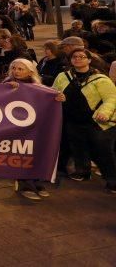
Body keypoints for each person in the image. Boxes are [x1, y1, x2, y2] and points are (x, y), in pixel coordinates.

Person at [51, 49, 116, 194]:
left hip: (96, 122)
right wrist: (57, 97)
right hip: (72, 120)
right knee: (78, 148)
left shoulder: (100, 79)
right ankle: (83, 171)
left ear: (89, 60)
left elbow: (111, 98)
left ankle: (112, 180)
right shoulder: (63, 76)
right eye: (74, 57)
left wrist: (104, 113)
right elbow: (53, 91)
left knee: (103, 152)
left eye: (82, 57)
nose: (78, 59)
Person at [4, 59, 64, 200]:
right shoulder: (7, 84)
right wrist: (7, 89)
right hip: (15, 127)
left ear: (30, 71)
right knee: (20, 155)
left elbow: (49, 98)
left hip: (35, 126)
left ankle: (36, 181)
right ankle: (25, 184)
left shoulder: (39, 87)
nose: (16, 72)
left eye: (20, 69)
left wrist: (58, 97)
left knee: (35, 153)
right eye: (14, 68)